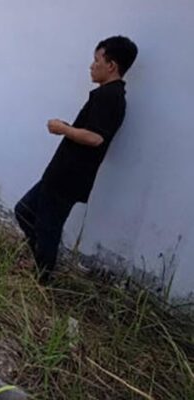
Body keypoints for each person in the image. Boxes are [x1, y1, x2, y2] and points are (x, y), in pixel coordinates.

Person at [15, 36, 138, 283]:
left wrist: (63, 129)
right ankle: (39, 262)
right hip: (62, 173)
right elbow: (91, 132)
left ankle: (42, 279)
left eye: (97, 60)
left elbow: (95, 138)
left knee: (48, 227)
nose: (92, 66)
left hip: (68, 177)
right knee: (25, 211)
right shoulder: (108, 95)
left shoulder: (110, 97)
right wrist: (69, 129)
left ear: (111, 65)